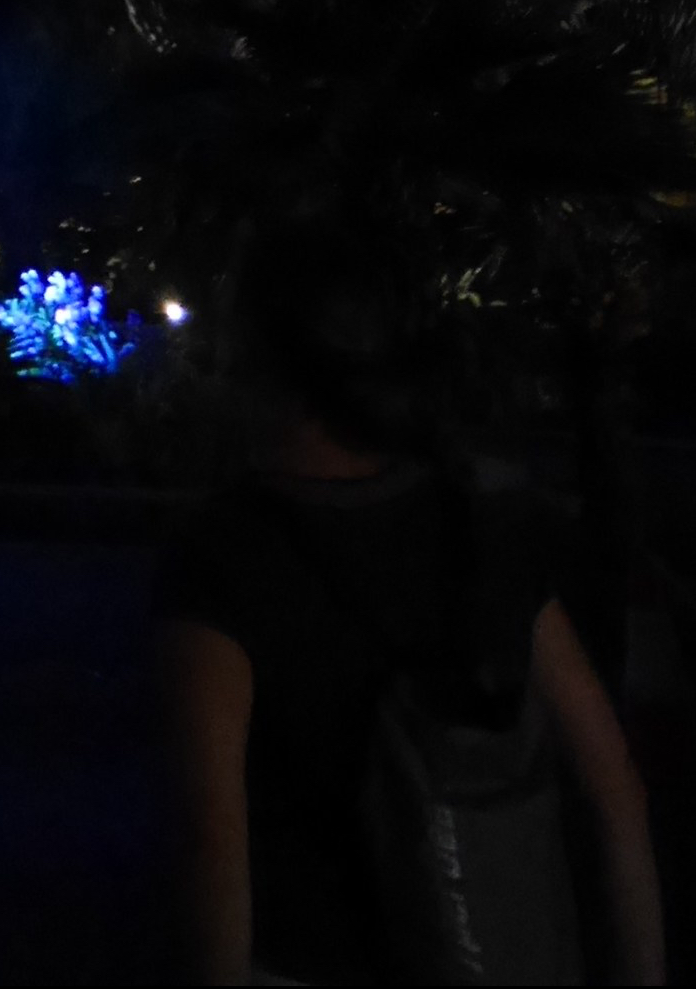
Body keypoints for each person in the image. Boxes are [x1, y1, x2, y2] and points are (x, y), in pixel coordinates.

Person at [160, 241, 664, 985]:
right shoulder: (486, 521)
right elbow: (611, 786)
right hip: (494, 949)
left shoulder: (223, 556)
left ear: (270, 369)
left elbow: (208, 840)